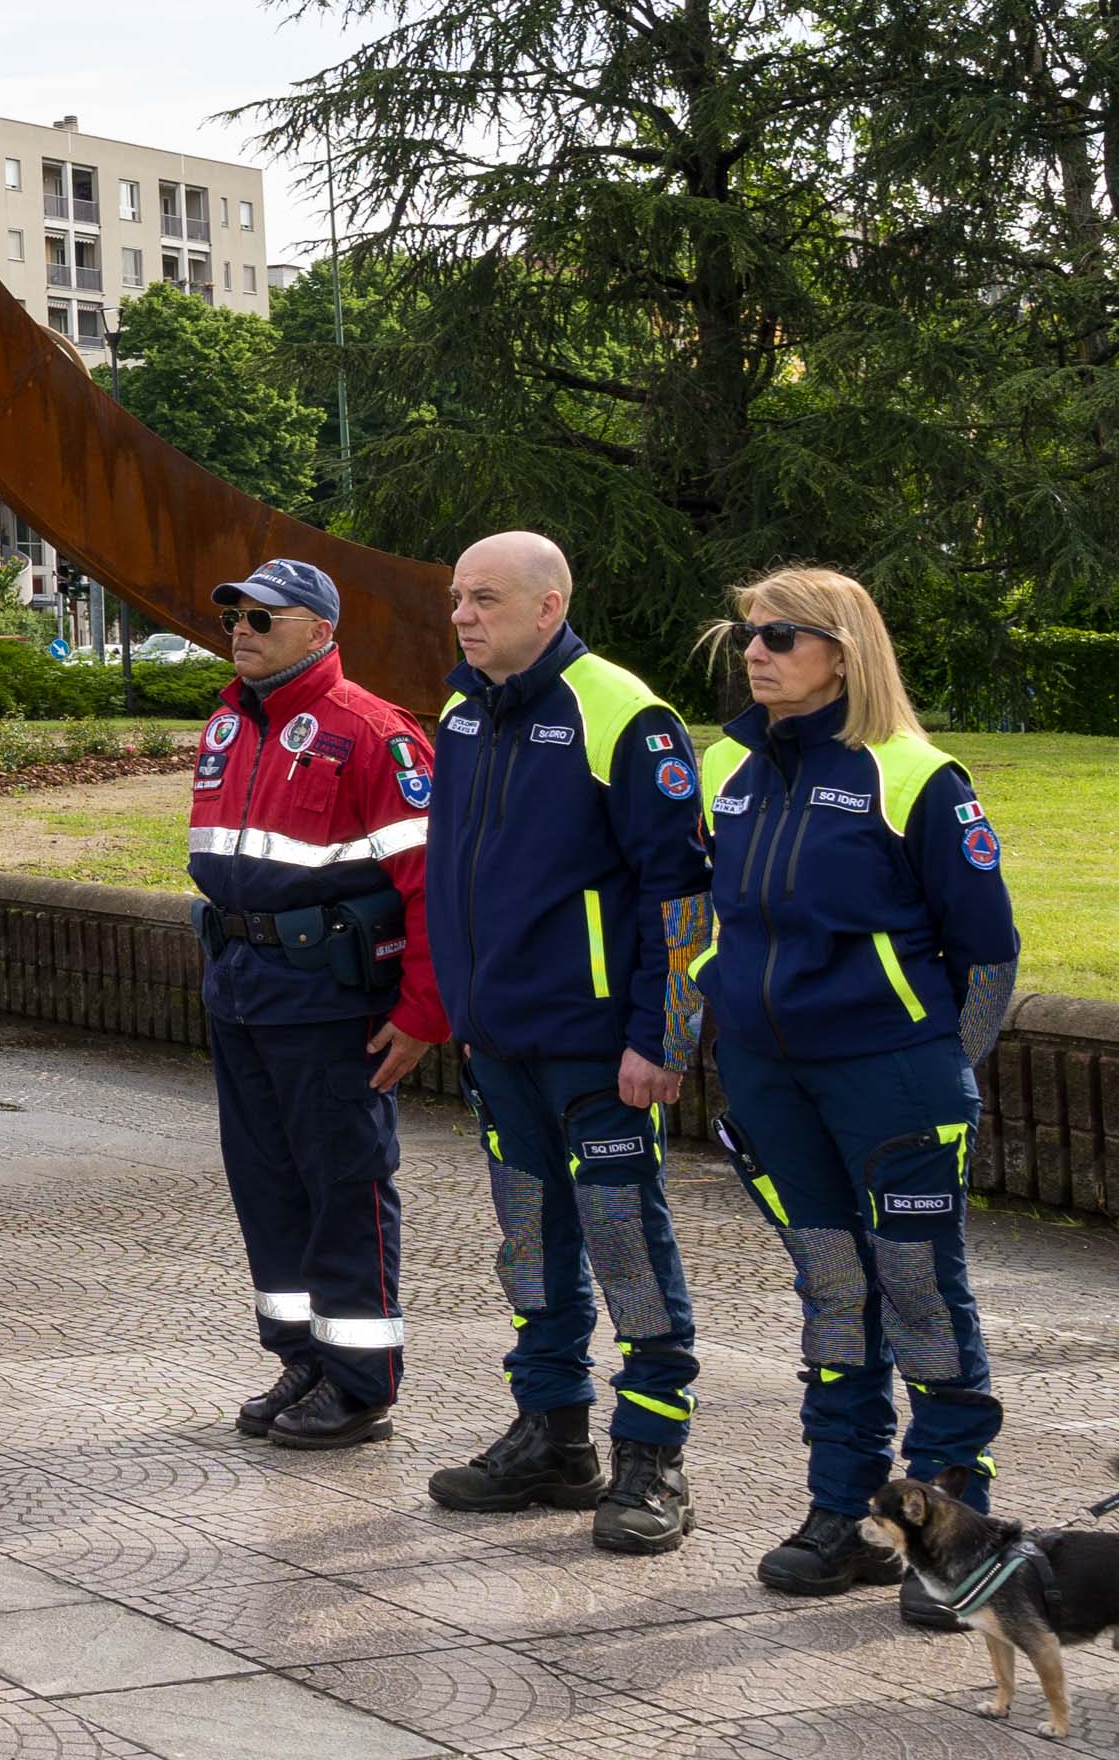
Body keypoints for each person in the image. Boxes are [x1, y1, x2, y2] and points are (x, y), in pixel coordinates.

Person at [701, 563, 1019, 1609]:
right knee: (836, 1297)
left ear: (843, 649)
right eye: (750, 631)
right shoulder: (729, 772)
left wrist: (941, 1074)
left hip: (893, 1080)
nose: (756, 650)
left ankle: (953, 1533)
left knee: (921, 1298)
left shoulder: (917, 777)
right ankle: (845, 1515)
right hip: (770, 1080)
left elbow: (990, 956)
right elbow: (704, 926)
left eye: (782, 635)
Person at [418, 531, 712, 1555]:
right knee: (528, 1254)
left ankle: (652, 1459)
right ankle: (552, 1437)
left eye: (484, 599)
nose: (462, 616)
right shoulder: (461, 713)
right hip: (501, 1046)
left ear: (548, 608)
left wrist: (664, 1040)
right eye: (458, 598)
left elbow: (681, 896)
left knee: (627, 1249)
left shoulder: (626, 717)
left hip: (600, 1052)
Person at [186, 554, 444, 1448]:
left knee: (344, 1186)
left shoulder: (375, 733)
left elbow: (431, 887)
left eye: (264, 618)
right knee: (267, 1185)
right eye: (235, 619)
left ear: (321, 631)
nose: (242, 632)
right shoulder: (228, 721)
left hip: (331, 999)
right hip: (243, 990)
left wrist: (421, 1015)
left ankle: (361, 1383)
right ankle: (303, 1355)